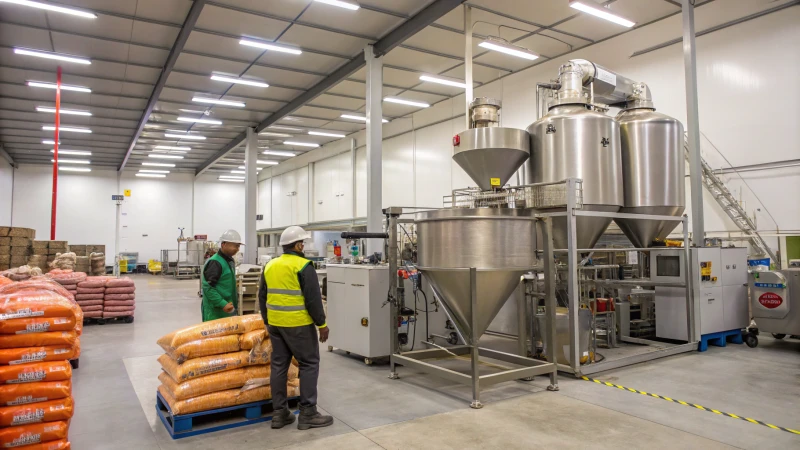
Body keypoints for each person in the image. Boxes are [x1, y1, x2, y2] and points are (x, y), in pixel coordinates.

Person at [258, 225, 332, 430]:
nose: (304, 246)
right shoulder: (303, 266)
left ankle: (279, 414)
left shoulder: (271, 265)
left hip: (275, 324)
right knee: (309, 363)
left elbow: (262, 295)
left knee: (279, 365)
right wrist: (322, 325)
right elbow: (313, 300)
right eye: (303, 243)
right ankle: (308, 413)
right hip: (298, 324)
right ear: (298, 244)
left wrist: (267, 320)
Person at [200, 229, 242, 322]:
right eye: (235, 246)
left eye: (238, 246)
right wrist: (222, 303)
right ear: (224, 244)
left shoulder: (229, 260)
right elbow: (208, 288)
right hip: (216, 312)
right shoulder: (215, 262)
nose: (237, 249)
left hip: (227, 310)